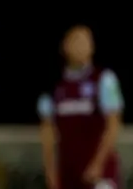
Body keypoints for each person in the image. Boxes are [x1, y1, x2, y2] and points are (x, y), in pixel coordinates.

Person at [37, 25, 124, 189]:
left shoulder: (104, 80)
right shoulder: (53, 87)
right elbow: (47, 134)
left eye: (86, 41)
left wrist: (97, 164)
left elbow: (113, 125)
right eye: (77, 41)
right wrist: (50, 173)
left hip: (100, 174)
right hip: (68, 173)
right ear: (65, 46)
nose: (82, 46)